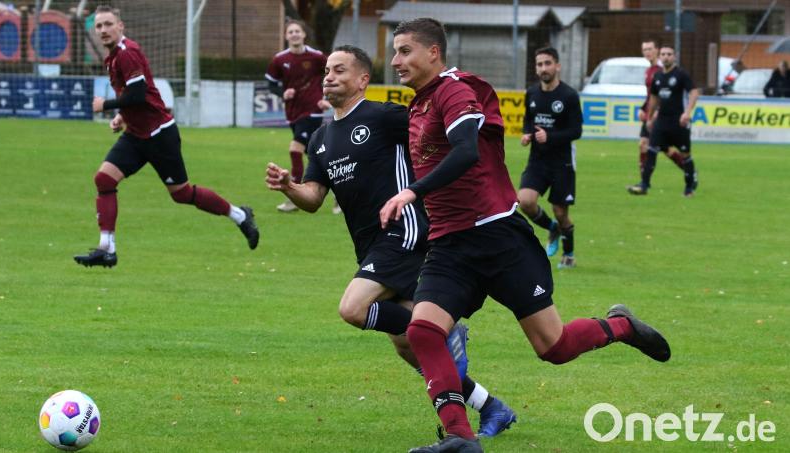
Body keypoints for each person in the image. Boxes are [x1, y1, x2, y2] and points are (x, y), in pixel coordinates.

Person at [380, 18, 671, 453]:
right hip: (451, 246)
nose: (395, 60)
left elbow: (465, 151)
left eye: (404, 51)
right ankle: (461, 439)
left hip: (498, 239)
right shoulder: (418, 105)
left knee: (553, 347)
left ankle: (622, 326)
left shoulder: (456, 90)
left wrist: (411, 192)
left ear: (433, 53)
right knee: (422, 331)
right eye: (394, 52)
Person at [265, 45, 517, 438]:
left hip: (404, 229)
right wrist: (289, 186)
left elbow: (438, 136)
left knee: (352, 308)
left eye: (340, 70)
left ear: (363, 79)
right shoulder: (320, 138)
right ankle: (492, 408)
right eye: (327, 70)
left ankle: (445, 331)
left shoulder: (384, 116)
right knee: (407, 345)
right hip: (370, 244)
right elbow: (313, 199)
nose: (329, 76)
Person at [74, 6, 258, 268]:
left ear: (120, 26)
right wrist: (122, 116)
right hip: (136, 135)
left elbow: (137, 95)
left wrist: (105, 106)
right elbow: (141, 95)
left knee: (181, 193)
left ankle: (240, 215)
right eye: (99, 26)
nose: (103, 30)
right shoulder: (113, 56)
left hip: (160, 135)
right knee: (104, 178)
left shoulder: (127, 54)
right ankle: (107, 248)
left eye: (108, 24)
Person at [517, 47, 582, 269]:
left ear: (557, 66)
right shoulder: (532, 93)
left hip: (562, 162)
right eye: (539, 64)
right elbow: (528, 120)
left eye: (547, 63)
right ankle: (551, 228)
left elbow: (576, 131)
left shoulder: (569, 95)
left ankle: (569, 253)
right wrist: (527, 134)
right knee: (524, 201)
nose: (543, 68)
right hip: (537, 160)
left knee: (561, 212)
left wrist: (550, 136)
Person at [266, 19, 333, 213]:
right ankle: (340, 191)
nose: (294, 34)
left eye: (297, 31)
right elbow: (271, 83)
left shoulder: (316, 57)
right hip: (293, 112)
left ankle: (293, 198)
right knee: (316, 156)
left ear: (304, 34)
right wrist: (282, 93)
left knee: (295, 149)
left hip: (312, 111)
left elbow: (333, 74)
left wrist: (325, 97)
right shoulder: (280, 59)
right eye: (291, 32)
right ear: (286, 36)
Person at [628, 44, 700, 197]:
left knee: (685, 154)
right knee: (651, 150)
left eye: (669, 54)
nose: (666, 56)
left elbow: (694, 91)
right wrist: (650, 117)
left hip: (679, 121)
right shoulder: (658, 76)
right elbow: (654, 97)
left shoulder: (681, 74)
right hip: (661, 121)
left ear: (674, 56)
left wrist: (687, 112)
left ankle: (689, 188)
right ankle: (644, 185)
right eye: (663, 54)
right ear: (660, 57)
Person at [633, 38, 684, 186]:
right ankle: (689, 170)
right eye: (644, 50)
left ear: (657, 50)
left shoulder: (662, 70)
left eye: (650, 49)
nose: (647, 52)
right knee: (656, 146)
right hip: (650, 114)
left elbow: (665, 94)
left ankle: (644, 182)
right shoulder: (648, 71)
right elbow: (651, 95)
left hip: (659, 115)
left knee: (648, 145)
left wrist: (657, 112)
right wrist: (643, 109)